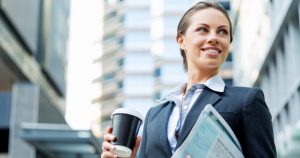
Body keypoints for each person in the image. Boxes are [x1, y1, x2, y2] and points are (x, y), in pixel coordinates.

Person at [101, 1, 277, 158]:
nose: (214, 37)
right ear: (181, 40)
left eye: (222, 32)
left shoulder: (247, 101)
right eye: (203, 29)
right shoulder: (155, 114)